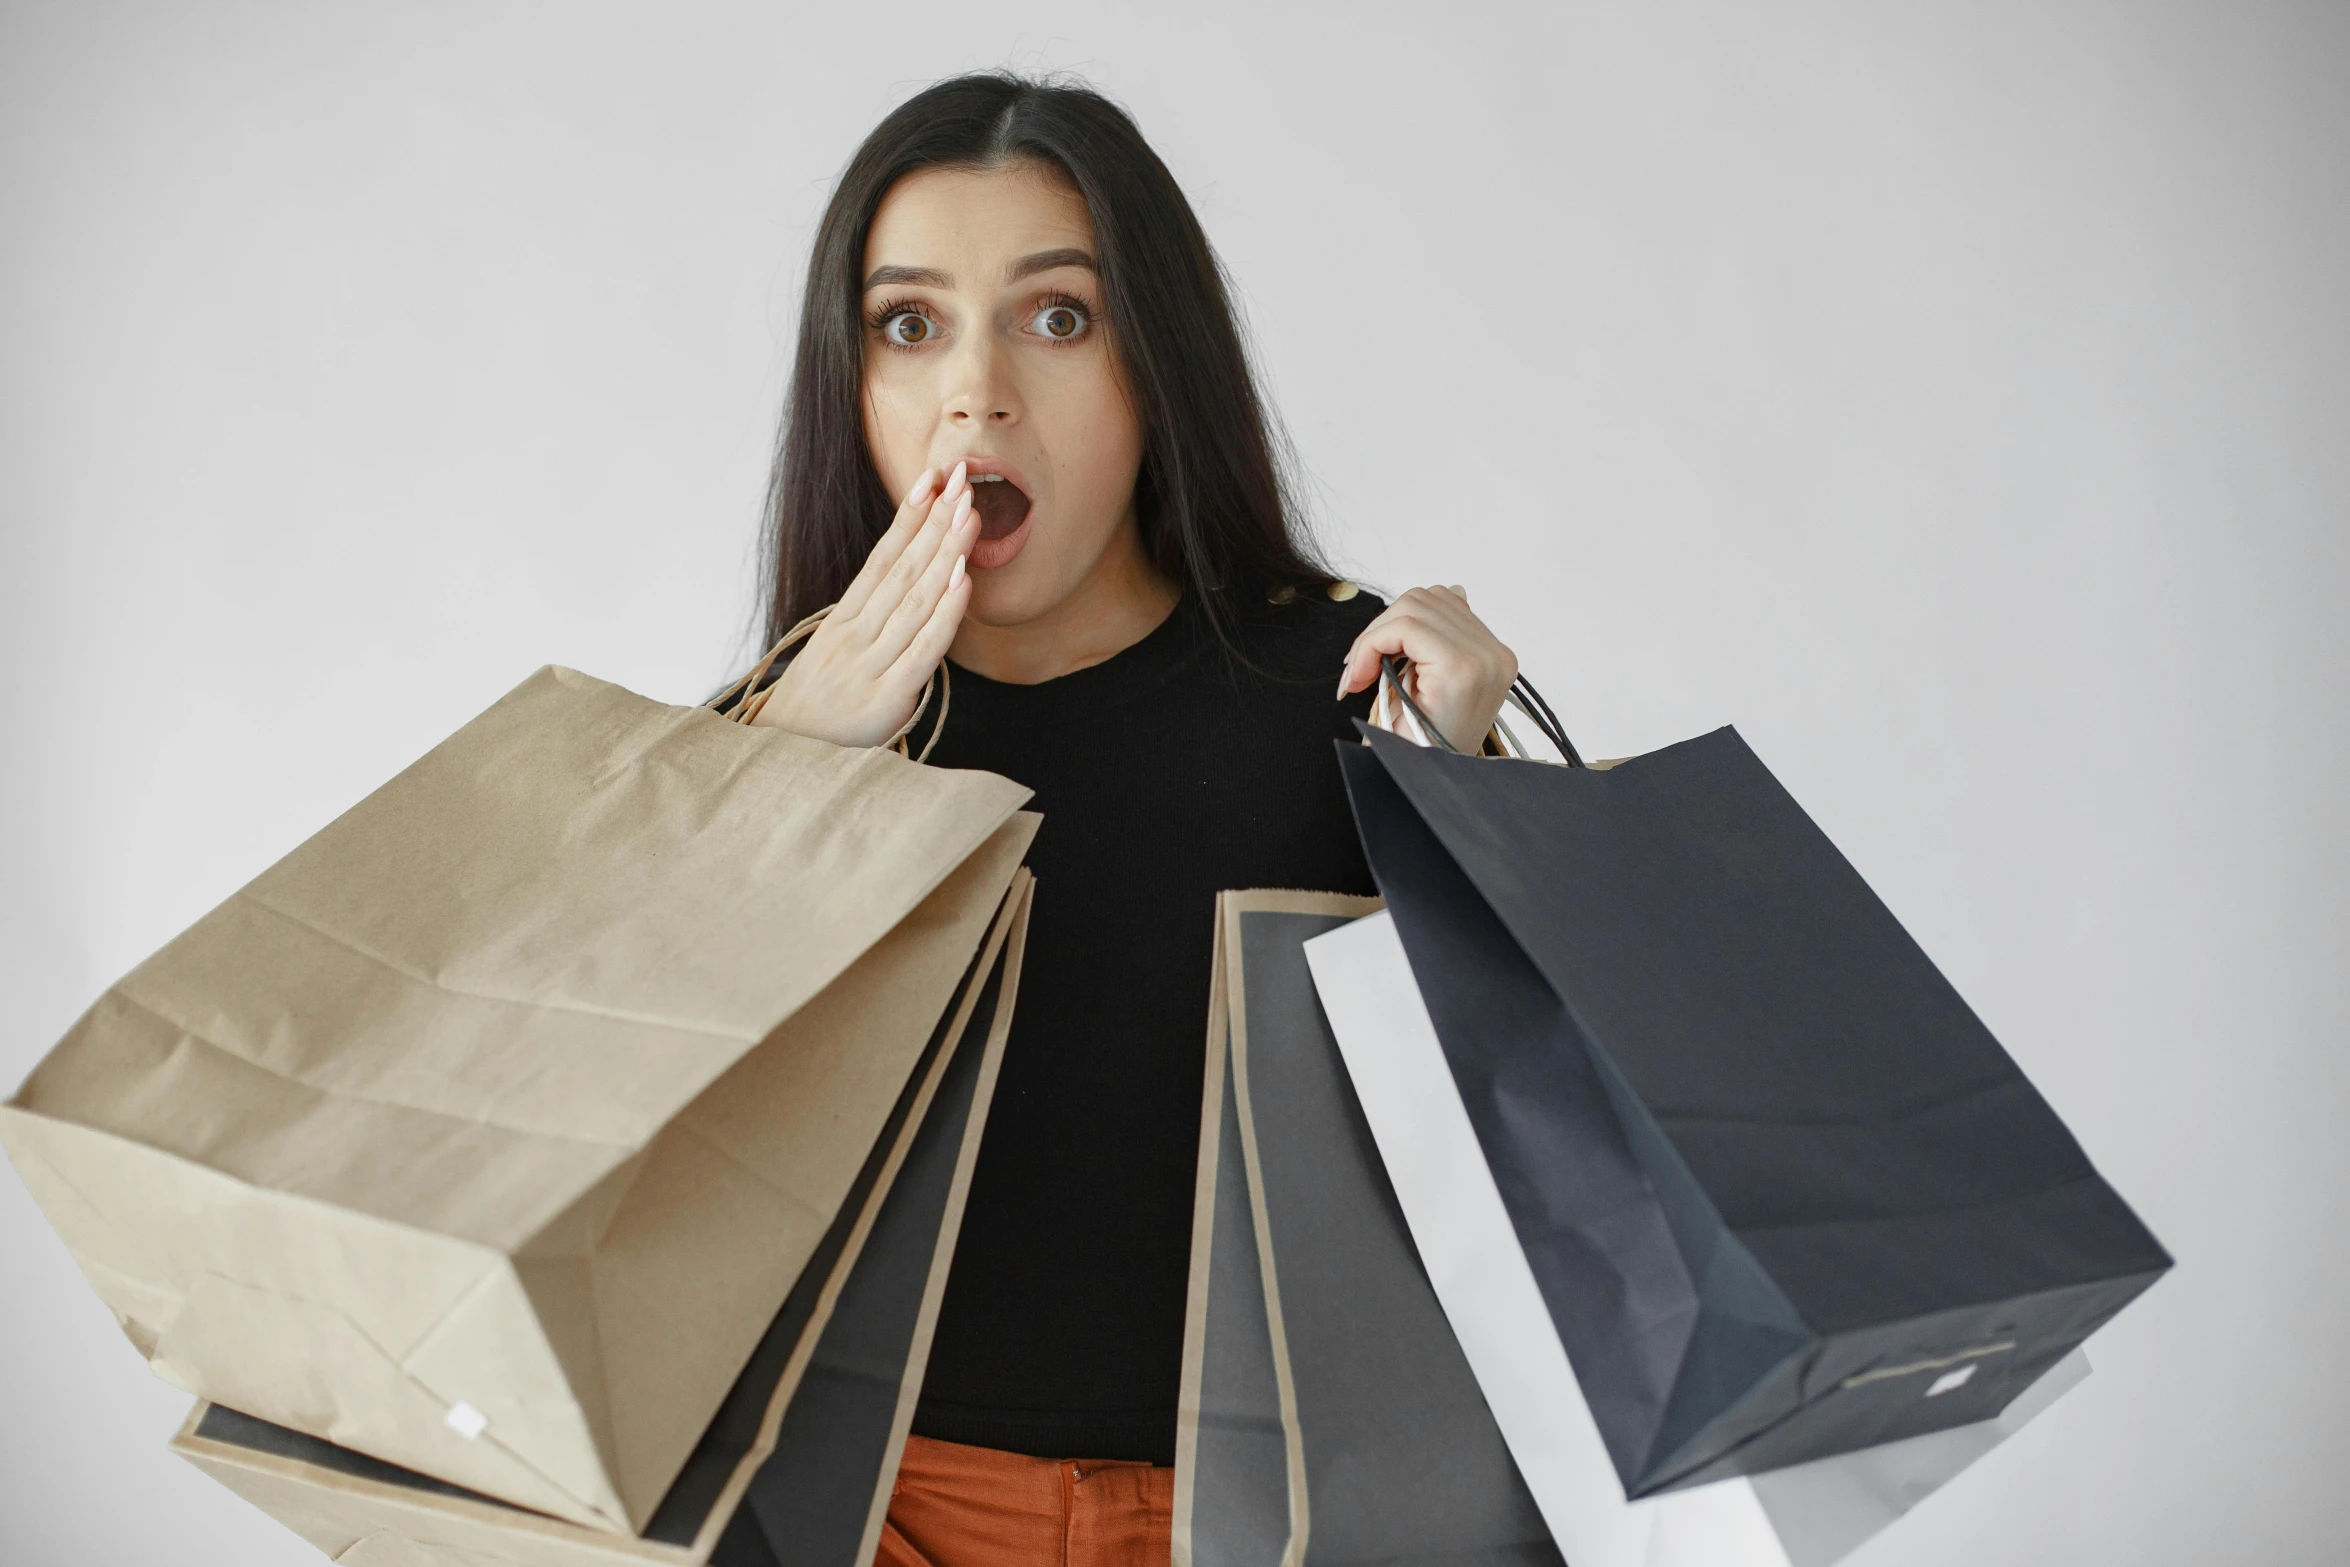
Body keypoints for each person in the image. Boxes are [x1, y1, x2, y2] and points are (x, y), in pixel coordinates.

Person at [737, 72, 1520, 1567]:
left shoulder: (1349, 692)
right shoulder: (770, 730)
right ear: (850, 383)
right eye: (908, 325)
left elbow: (1531, 1157)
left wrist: (1467, 804)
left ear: (1153, 366)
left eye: (1056, 315)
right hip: (852, 1514)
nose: (977, 390)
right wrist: (779, 771)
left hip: (1277, 1521)